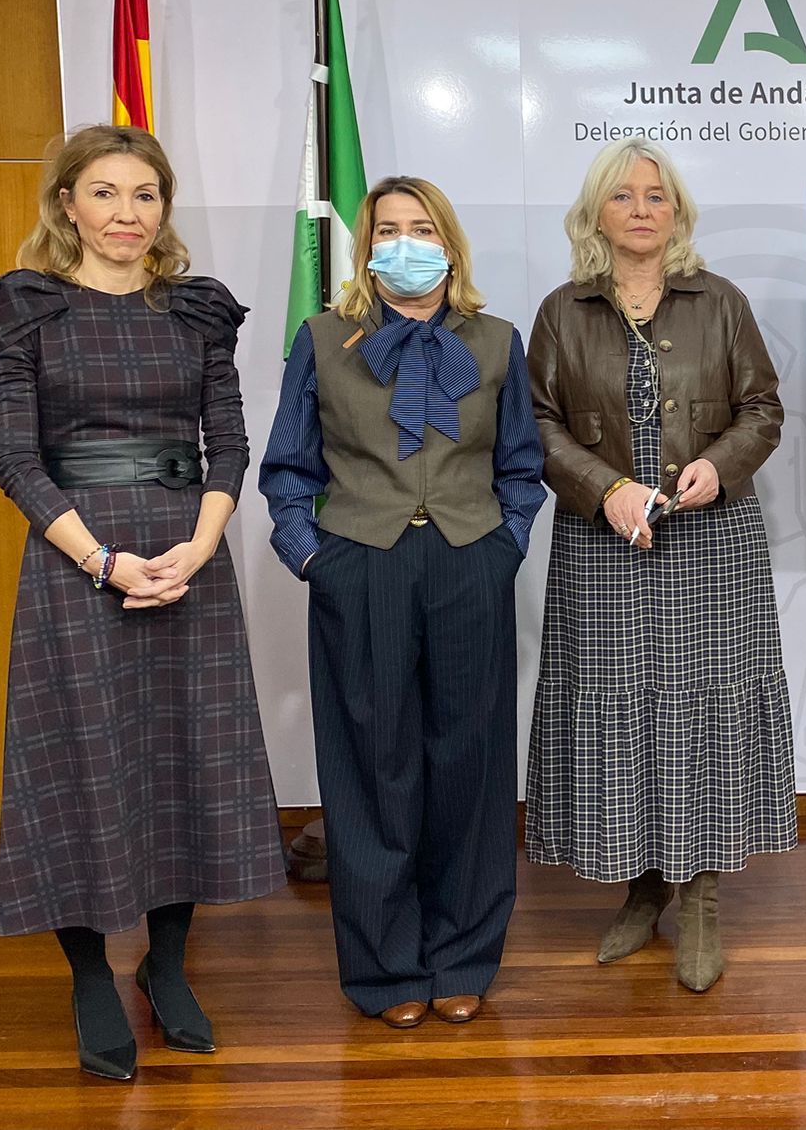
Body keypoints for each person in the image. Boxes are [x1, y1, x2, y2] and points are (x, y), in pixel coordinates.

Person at [0, 125, 284, 1081]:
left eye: (144, 195)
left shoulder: (198, 313)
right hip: (77, 562)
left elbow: (229, 439)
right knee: (81, 757)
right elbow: (12, 456)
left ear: (163, 209)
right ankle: (92, 974)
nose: (126, 214)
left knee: (184, 759)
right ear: (67, 206)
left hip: (187, 559)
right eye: (104, 193)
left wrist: (200, 546)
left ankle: (167, 969)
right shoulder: (23, 311)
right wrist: (104, 561)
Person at [259, 175, 545, 1030]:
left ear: (449, 243)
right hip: (363, 565)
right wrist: (316, 560)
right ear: (366, 247)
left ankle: (462, 957)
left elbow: (521, 467)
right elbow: (287, 471)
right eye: (387, 229)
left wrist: (505, 548)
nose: (404, 243)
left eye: (421, 228)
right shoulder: (323, 339)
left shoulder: (495, 343)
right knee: (371, 769)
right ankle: (386, 971)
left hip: (468, 563)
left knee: (470, 765)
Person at [526, 137, 796, 993]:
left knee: (703, 707)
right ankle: (644, 885)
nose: (642, 209)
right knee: (624, 710)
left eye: (657, 196)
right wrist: (602, 487)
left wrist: (720, 465)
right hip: (604, 537)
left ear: (675, 211)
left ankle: (703, 897)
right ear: (595, 213)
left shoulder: (721, 302)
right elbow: (536, 423)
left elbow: (763, 408)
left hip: (709, 537)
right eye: (623, 196)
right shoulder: (561, 311)